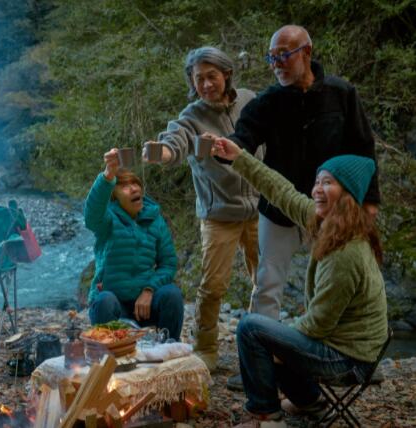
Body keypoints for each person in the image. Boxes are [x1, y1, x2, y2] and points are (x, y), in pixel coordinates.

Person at [213, 137, 388, 428]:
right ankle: (311, 403)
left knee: (251, 327)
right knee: (273, 335)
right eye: (317, 182)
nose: (317, 190)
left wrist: (278, 349)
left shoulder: (346, 251)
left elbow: (318, 325)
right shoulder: (328, 222)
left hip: (349, 360)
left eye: (328, 183)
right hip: (347, 349)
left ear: (348, 194)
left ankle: (265, 415)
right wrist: (239, 157)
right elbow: (282, 192)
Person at [225, 24, 381, 324]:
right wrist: (225, 148)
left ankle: (337, 352)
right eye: (271, 58)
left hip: (331, 208)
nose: (276, 64)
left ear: (306, 52)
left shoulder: (342, 93)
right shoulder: (269, 101)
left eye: (283, 55)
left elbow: (363, 148)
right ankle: (260, 353)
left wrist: (369, 200)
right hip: (280, 208)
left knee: (334, 279)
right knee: (268, 283)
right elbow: (244, 136)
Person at [143, 46, 262, 372]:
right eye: (199, 79)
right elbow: (174, 143)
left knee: (266, 282)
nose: (207, 84)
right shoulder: (191, 116)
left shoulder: (250, 100)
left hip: (261, 208)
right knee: (212, 288)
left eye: (212, 76)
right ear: (192, 82)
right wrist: (162, 154)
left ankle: (266, 346)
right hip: (220, 214)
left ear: (226, 74)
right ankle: (206, 350)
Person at [85, 148, 184, 340]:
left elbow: (168, 263)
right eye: (124, 186)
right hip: (113, 305)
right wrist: (108, 174)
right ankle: (110, 355)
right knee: (105, 300)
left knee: (171, 294)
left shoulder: (155, 219)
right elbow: (91, 215)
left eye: (135, 184)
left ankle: (168, 348)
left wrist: (149, 290)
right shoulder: (107, 220)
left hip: (145, 305)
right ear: (114, 197)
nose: (134, 189)